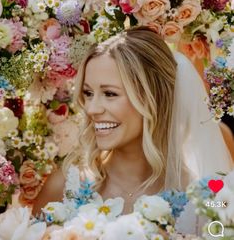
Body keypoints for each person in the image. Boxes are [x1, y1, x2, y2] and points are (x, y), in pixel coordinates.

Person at [32, 26, 233, 216]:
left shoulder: (199, 196)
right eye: (88, 93)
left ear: (153, 98)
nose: (92, 109)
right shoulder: (65, 188)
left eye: (110, 93)